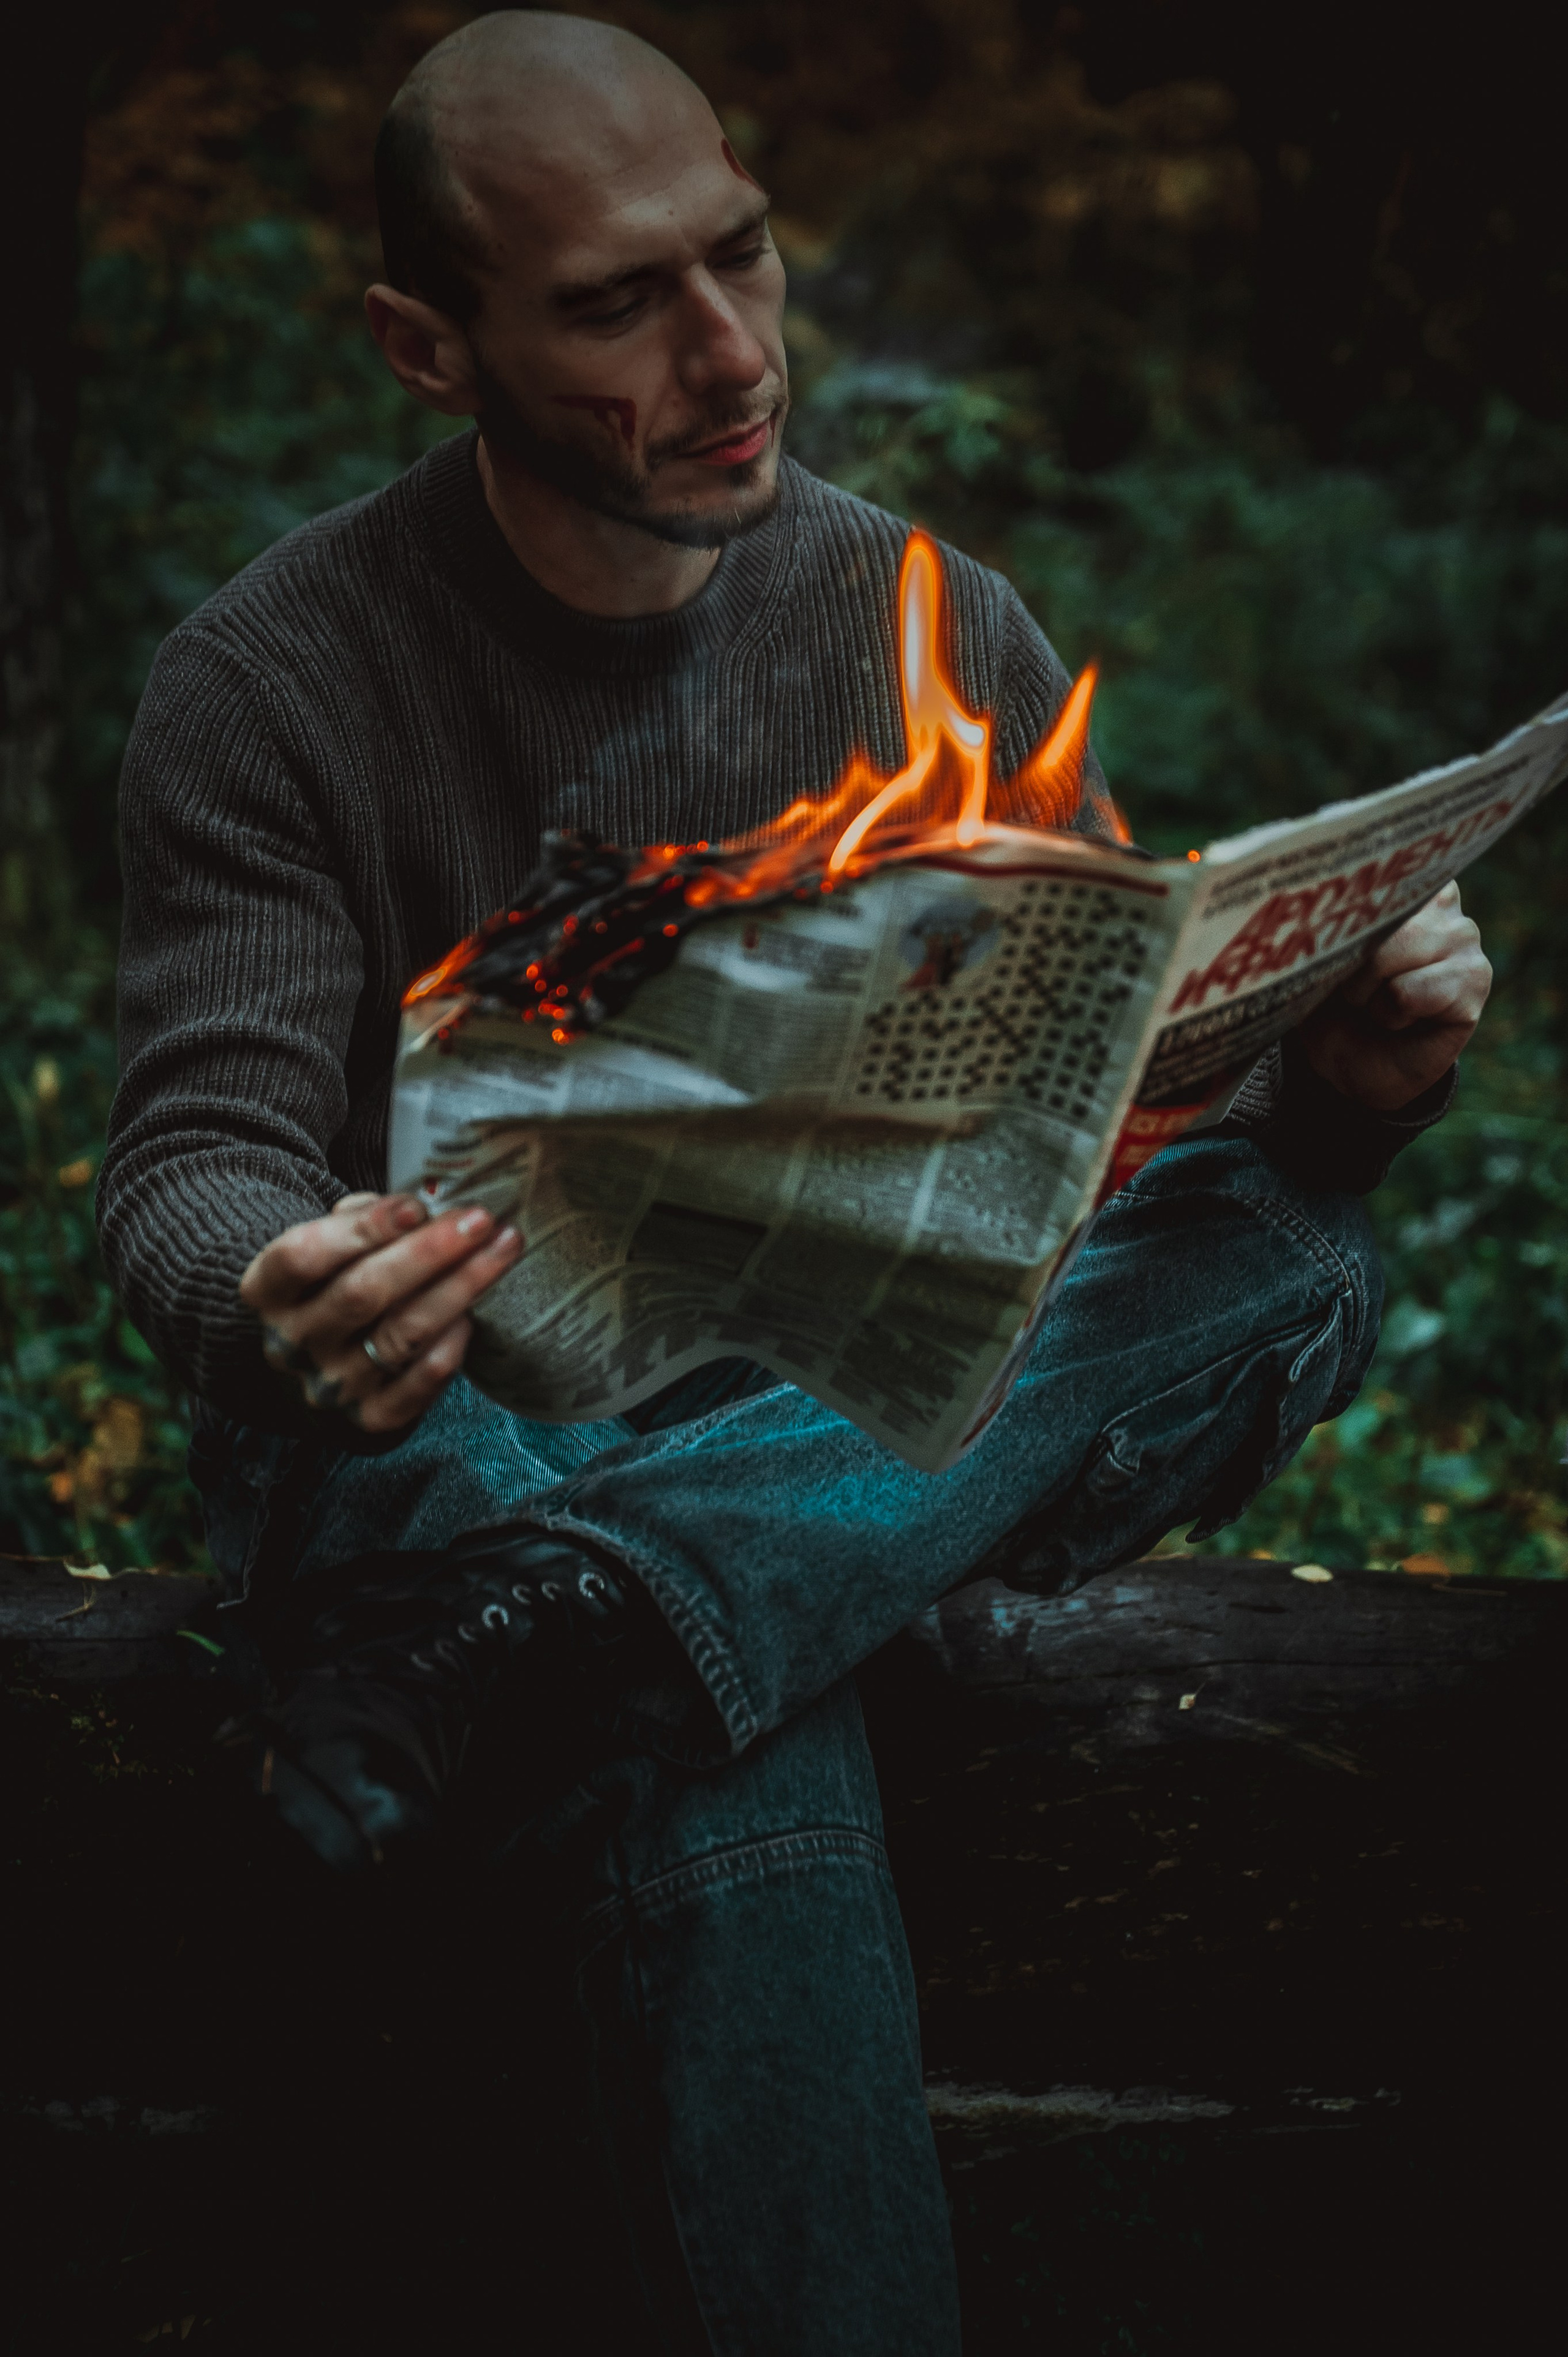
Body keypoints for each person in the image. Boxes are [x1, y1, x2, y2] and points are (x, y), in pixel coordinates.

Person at [97, 14, 1493, 2351]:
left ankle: (570, 1620)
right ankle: (623, 1605)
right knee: (697, 1682)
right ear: (428, 347)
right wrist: (277, 1276)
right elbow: (192, 1158)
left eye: (738, 253)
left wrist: (1333, 1085)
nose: (735, 352)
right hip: (458, 1425)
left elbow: (1117, 1140)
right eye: (616, 304)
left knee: (1289, 1244)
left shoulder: (927, 623)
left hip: (824, 1408)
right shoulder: (275, 678)